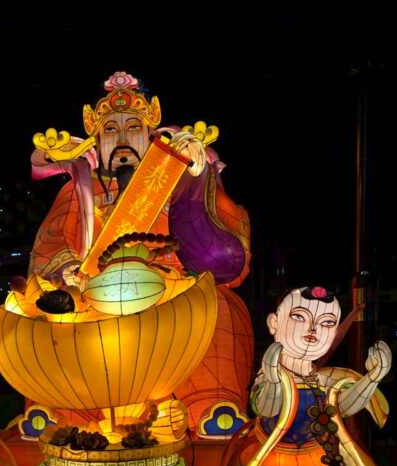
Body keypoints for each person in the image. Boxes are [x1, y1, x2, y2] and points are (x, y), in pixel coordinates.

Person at [28, 71, 253, 433]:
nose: (122, 140)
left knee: (218, 305)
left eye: (133, 128)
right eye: (110, 130)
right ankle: (65, 416)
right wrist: (66, 269)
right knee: (47, 318)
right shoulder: (78, 193)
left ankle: (211, 407)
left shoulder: (179, 178)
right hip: (94, 299)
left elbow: (229, 263)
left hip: (171, 295)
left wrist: (195, 182)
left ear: (150, 132)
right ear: (96, 138)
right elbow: (50, 246)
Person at [251, 286, 391, 466]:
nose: (313, 330)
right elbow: (265, 407)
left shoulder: (322, 378)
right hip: (275, 455)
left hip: (314, 456)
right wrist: (274, 379)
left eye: (327, 323)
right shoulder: (269, 373)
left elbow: (343, 405)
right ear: (274, 323)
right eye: (299, 317)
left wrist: (373, 377)